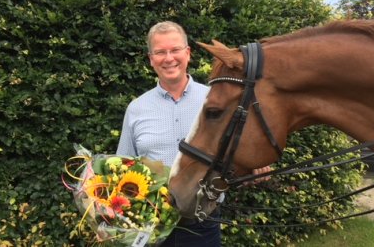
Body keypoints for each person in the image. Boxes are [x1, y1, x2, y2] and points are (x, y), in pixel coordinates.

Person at [116, 21, 270, 247]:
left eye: (175, 49)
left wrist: (255, 162)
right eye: (160, 52)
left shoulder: (215, 100)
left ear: (187, 54)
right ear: (151, 59)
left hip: (203, 222)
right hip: (151, 226)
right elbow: (123, 165)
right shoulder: (136, 108)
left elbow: (238, 148)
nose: (169, 58)